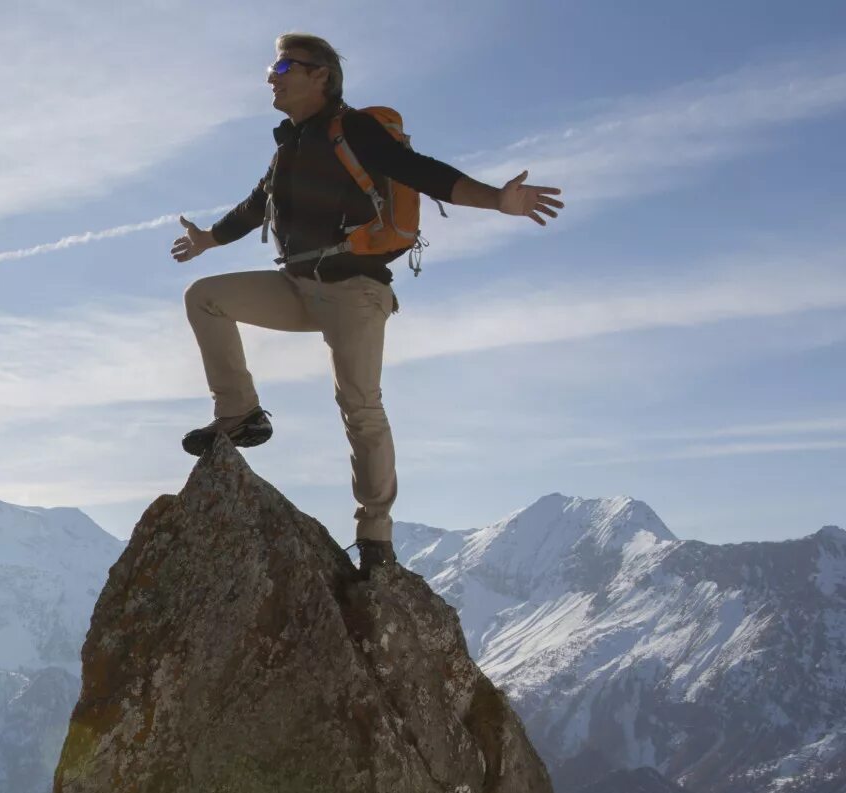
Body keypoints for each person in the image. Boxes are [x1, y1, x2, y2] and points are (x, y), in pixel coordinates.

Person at [171, 33, 562, 575]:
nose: (271, 76)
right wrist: (209, 239)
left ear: (321, 77)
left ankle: (375, 537)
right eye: (271, 66)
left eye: (284, 65)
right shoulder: (290, 145)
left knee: (360, 407)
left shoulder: (353, 129)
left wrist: (496, 198)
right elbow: (256, 205)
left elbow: (420, 171)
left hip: (354, 291)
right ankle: (239, 416)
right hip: (297, 286)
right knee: (205, 296)